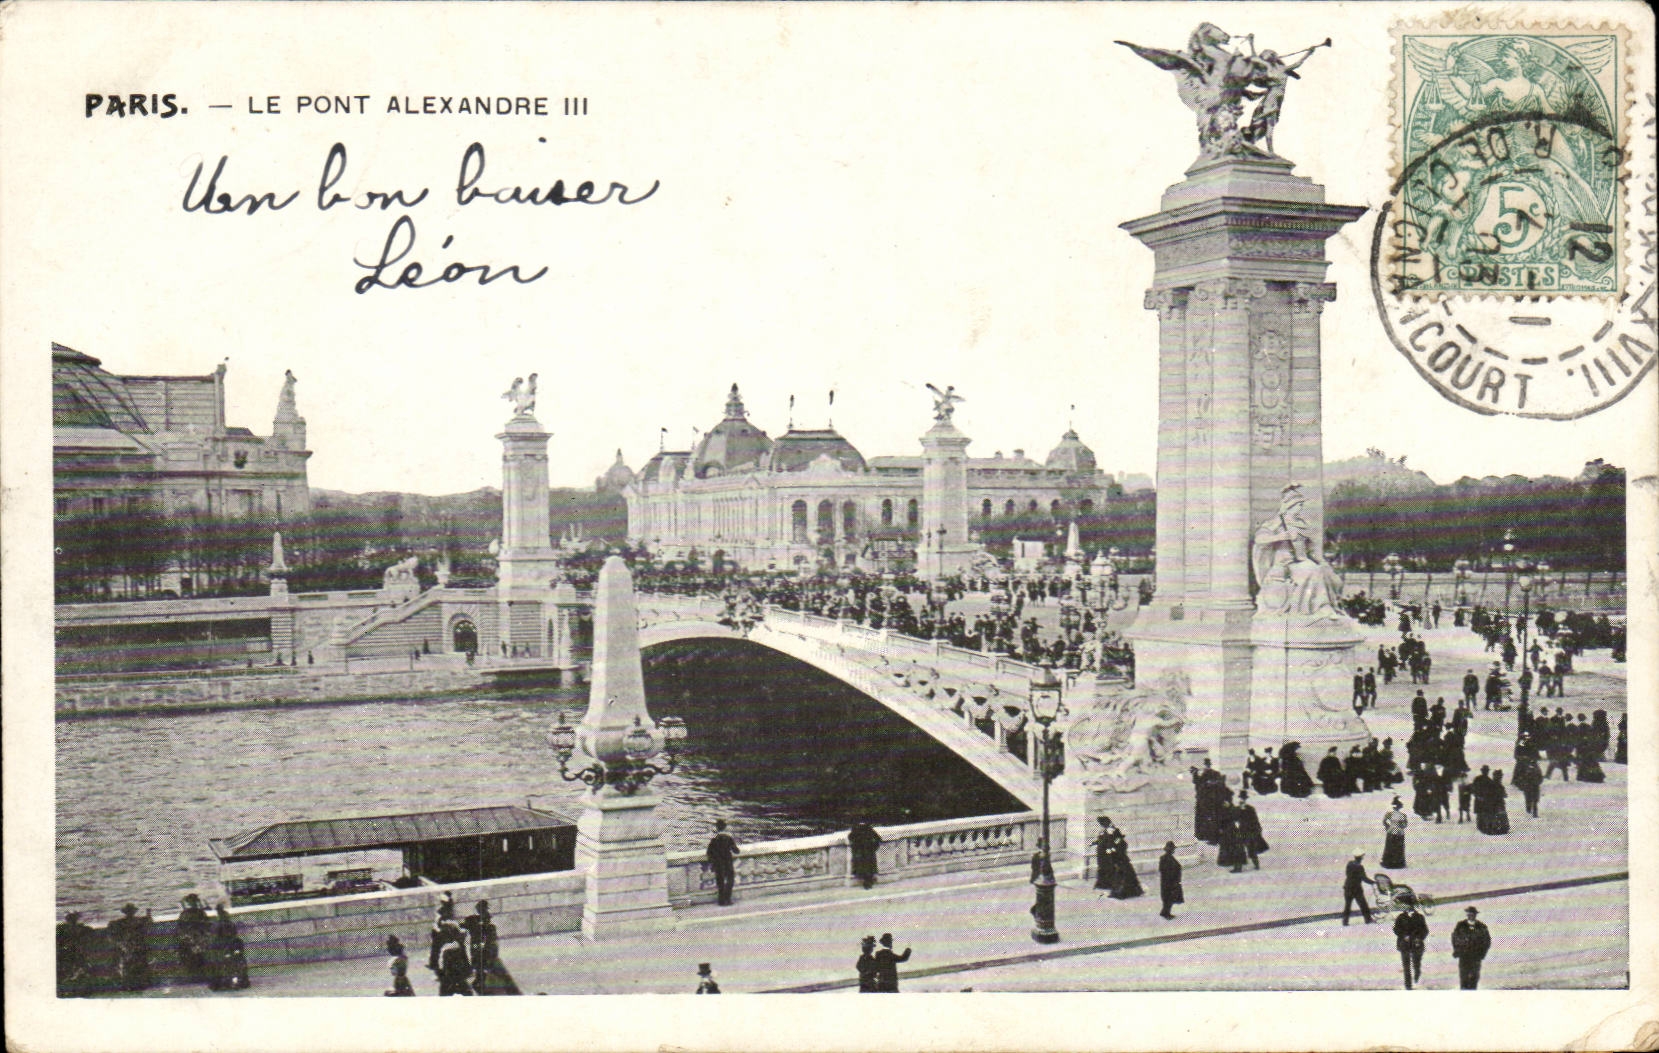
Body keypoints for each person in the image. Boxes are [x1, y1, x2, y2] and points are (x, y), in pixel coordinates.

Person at [108, 903, 153, 992]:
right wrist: (148, 913)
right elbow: (149, 922)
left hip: (128, 948)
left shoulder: (120, 922)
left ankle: (129, 985)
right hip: (136, 947)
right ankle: (139, 984)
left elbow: (112, 931)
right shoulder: (138, 921)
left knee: (129, 967)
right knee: (138, 966)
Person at [207, 903, 250, 991]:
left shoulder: (215, 925)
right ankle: (238, 980)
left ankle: (224, 982)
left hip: (221, 948)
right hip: (231, 946)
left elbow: (214, 937)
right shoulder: (230, 924)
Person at [1393, 895, 1429, 989]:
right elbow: (1396, 929)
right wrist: (1403, 935)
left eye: (1405, 905)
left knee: (1416, 964)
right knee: (1406, 966)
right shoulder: (1400, 917)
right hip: (1404, 944)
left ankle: (1417, 973)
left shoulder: (1419, 917)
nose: (1403, 907)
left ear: (1410, 905)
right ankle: (1408, 986)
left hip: (1416, 944)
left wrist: (1419, 937)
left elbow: (1425, 930)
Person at [1451, 906, 1492, 989]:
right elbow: (1454, 938)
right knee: (1464, 977)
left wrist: (1482, 953)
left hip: (1476, 956)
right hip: (1464, 955)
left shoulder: (1481, 927)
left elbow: (1487, 941)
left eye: (1472, 914)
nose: (1471, 916)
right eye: (1469, 914)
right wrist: (1457, 950)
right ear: (1467, 915)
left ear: (1475, 915)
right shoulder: (1460, 926)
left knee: (1474, 977)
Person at [176, 893, 212, 983]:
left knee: (193, 958)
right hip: (198, 941)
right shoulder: (200, 913)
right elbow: (207, 926)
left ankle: (194, 977)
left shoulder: (185, 914)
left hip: (191, 941)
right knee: (199, 958)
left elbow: (180, 929)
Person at [57, 911, 93, 996]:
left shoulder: (62, 928)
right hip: (75, 952)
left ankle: (71, 987)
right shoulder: (80, 928)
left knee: (72, 970)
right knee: (79, 969)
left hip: (67, 952)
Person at [707, 819, 741, 906]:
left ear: (717, 828)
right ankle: (728, 899)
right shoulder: (728, 839)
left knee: (720, 882)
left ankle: (721, 900)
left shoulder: (714, 840)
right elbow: (736, 851)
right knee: (730, 881)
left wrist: (713, 862)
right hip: (728, 863)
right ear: (725, 828)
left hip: (718, 864)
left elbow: (709, 853)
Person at [1235, 791, 1268, 870]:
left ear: (1246, 799)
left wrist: (1257, 829)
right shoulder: (1237, 809)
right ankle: (1238, 867)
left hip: (1250, 830)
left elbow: (1255, 820)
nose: (1242, 800)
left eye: (1243, 798)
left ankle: (1256, 865)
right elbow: (1235, 818)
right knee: (1239, 848)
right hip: (1242, 830)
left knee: (1250, 848)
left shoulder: (1250, 809)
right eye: (1241, 798)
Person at [1342, 851, 1375, 925]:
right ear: (1360, 858)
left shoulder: (1349, 864)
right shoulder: (1360, 867)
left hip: (1347, 887)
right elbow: (1364, 878)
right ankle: (1368, 919)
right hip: (1356, 889)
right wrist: (1372, 882)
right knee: (1363, 905)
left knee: (1347, 906)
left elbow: (1347, 873)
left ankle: (1345, 921)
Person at [848, 820, 883, 889]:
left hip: (862, 853)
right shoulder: (868, 829)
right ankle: (868, 882)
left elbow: (850, 838)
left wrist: (855, 848)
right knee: (868, 868)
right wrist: (874, 847)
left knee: (864, 868)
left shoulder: (856, 829)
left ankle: (867, 882)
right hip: (867, 852)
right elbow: (878, 839)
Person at [1480, 769, 1511, 835]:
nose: (1501, 778)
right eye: (1500, 777)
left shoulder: (1491, 784)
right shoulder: (1498, 785)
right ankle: (1497, 828)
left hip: (1493, 804)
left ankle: (1493, 827)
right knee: (1499, 816)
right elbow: (1503, 794)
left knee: (1494, 816)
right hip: (1496, 804)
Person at [1158, 841, 1184, 920]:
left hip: (1168, 881)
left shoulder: (1166, 858)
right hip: (1169, 882)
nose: (1173, 850)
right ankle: (1166, 913)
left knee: (1169, 897)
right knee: (1169, 897)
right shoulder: (1167, 858)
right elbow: (1166, 870)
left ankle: (1165, 912)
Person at [1382, 797, 1409, 869]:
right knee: (1398, 847)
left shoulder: (1389, 814)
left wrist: (1388, 827)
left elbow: (1384, 821)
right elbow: (1405, 825)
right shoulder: (1402, 815)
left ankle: (1389, 862)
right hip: (1399, 832)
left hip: (1391, 831)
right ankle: (1398, 863)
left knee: (1390, 847)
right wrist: (1401, 826)